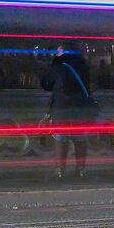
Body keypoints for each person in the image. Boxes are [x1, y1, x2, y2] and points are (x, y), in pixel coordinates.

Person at [43, 47, 100, 179]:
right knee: (80, 139)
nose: (56, 53)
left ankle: (60, 171)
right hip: (80, 108)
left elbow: (46, 84)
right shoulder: (83, 66)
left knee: (61, 140)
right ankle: (80, 170)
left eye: (59, 51)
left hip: (62, 108)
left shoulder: (58, 67)